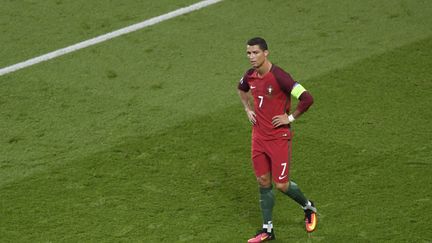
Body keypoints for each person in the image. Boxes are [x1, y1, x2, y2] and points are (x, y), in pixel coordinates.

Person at [237, 37, 318, 242]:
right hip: (258, 137)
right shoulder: (250, 76)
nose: (251, 57)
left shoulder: (281, 77)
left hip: (278, 138)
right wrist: (247, 109)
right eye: (248, 53)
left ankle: (308, 207)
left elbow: (307, 98)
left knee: (281, 185)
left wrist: (289, 118)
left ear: (266, 53)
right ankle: (268, 229)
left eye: (255, 52)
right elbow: (241, 89)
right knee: (263, 181)